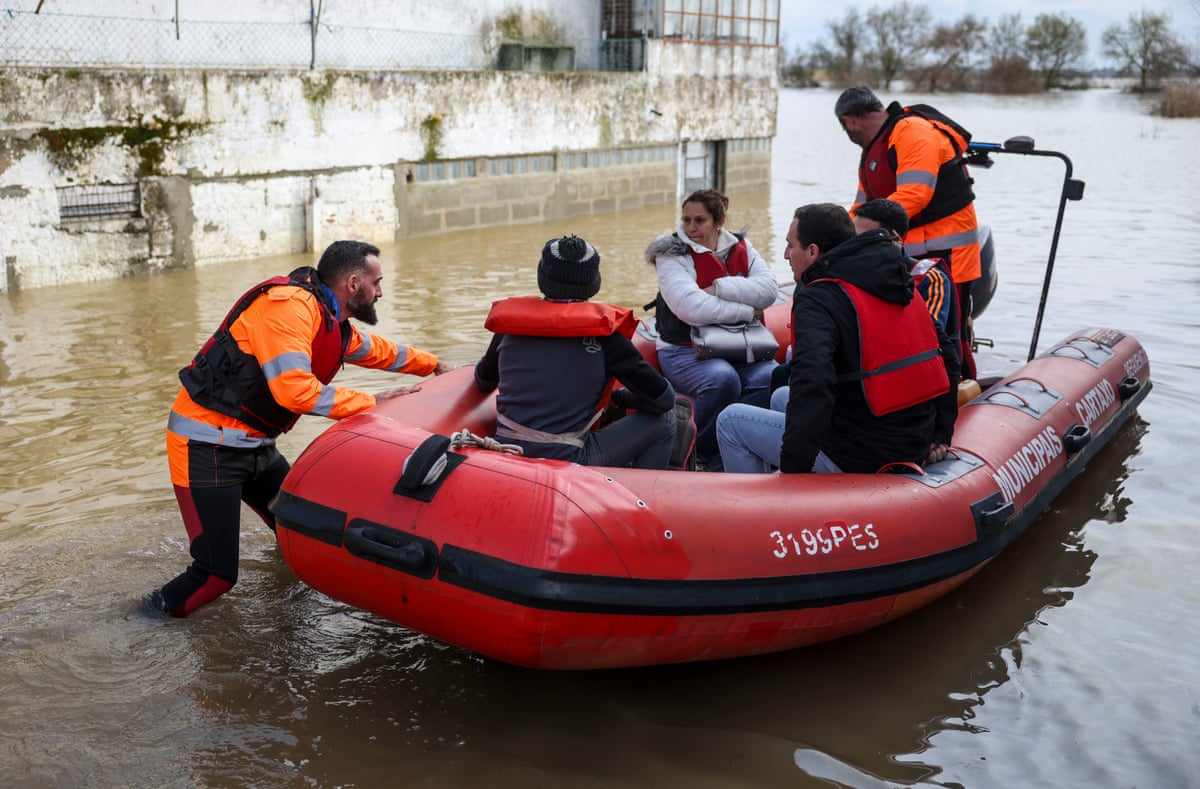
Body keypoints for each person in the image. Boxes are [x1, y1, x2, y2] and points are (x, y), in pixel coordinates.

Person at [144, 240, 453, 618]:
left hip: (255, 446)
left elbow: (380, 351)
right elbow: (294, 392)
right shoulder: (288, 310)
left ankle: (286, 608)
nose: (381, 292)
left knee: (301, 530)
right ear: (354, 284)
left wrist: (435, 365)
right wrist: (374, 403)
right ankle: (142, 621)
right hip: (206, 446)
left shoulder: (331, 323)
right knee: (216, 575)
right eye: (378, 282)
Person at [716, 203, 959, 474]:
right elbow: (948, 355)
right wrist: (941, 434)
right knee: (783, 396)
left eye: (790, 245)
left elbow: (813, 382)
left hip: (859, 453)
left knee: (730, 421)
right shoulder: (895, 282)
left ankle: (761, 512)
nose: (785, 254)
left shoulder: (818, 298)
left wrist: (792, 471)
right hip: (911, 438)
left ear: (812, 252)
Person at [474, 234, 677, 468]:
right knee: (666, 421)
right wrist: (618, 398)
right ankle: (644, 497)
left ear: (542, 276)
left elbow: (483, 381)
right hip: (568, 458)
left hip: (507, 452)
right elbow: (664, 399)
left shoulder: (509, 326)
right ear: (593, 283)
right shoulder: (607, 338)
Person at [834, 86, 980, 378]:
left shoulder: (912, 131)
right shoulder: (873, 151)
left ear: (850, 121)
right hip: (909, 251)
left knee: (949, 331)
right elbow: (862, 204)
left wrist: (866, 232)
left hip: (948, 251)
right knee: (908, 328)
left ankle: (958, 386)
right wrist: (839, 236)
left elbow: (915, 195)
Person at [646, 189, 778, 471]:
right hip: (683, 349)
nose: (691, 228)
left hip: (738, 344)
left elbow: (767, 291)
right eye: (686, 220)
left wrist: (720, 287)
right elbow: (692, 309)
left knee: (768, 376)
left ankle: (739, 449)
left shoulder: (742, 247)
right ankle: (701, 455)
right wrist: (747, 311)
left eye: (700, 220)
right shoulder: (671, 254)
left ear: (718, 222)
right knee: (722, 379)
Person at [851, 197, 973, 377]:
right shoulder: (851, 274)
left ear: (895, 239)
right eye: (854, 239)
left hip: (915, 374)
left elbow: (926, 339)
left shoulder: (929, 279)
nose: (856, 246)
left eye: (865, 239)